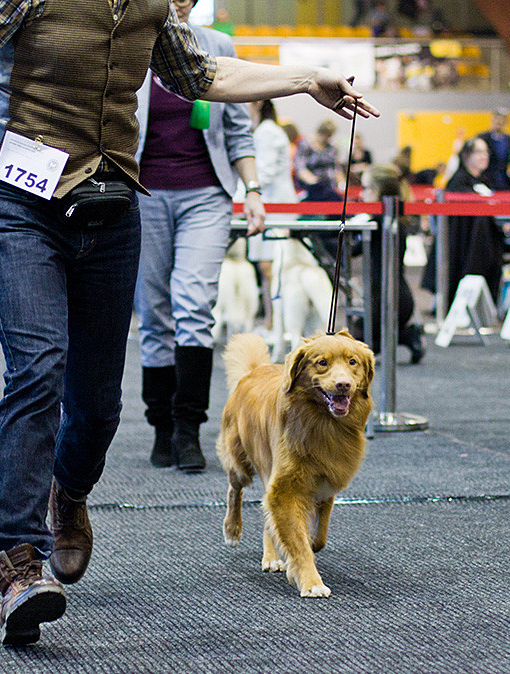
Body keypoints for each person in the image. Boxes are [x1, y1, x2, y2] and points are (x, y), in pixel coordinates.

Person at [0, 0, 377, 647]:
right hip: (16, 206)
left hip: (108, 209)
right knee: (37, 370)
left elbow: (200, 73)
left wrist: (305, 79)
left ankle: (68, 491)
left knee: (96, 405)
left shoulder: (152, 5)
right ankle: (19, 566)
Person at [133, 0, 265, 473]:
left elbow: (238, 131)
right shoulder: (130, 41)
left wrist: (253, 190)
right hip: (142, 194)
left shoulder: (217, 45)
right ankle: (160, 428)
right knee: (153, 312)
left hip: (207, 194)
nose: (180, 2)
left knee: (194, 305)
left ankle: (188, 429)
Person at [349, 164, 424, 363]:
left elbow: (352, 250)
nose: (362, 193)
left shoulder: (378, 221)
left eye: (365, 188)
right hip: (398, 297)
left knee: (354, 348)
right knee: (362, 343)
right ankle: (407, 335)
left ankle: (406, 335)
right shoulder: (395, 218)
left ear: (377, 191)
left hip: (384, 300)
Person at [422, 137, 505, 304]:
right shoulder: (458, 181)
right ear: (466, 155)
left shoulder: (484, 180)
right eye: (479, 152)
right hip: (460, 249)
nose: (484, 156)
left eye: (486, 152)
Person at [246, 99, 299, 337]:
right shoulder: (265, 130)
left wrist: (239, 196)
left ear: (257, 103)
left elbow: (262, 174)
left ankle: (280, 327)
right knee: (268, 269)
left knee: (274, 269)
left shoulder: (267, 132)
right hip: (269, 207)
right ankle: (272, 324)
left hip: (274, 208)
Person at [295, 119, 342, 203]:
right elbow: (300, 168)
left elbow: (336, 168)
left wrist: (342, 184)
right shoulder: (305, 145)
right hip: (312, 188)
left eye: (329, 135)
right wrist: (315, 182)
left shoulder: (332, 147)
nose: (326, 138)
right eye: (325, 134)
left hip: (330, 188)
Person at [479, 109, 510, 191]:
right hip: (487, 181)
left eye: (502, 119)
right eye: (497, 119)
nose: (499, 122)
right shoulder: (483, 138)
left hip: (505, 182)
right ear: (492, 120)